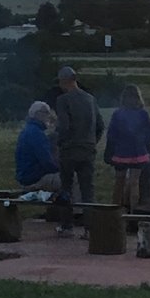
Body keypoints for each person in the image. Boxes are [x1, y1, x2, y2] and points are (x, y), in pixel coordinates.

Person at [52, 66, 103, 235]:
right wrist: (92, 142)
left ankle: (67, 226)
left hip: (69, 150)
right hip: (88, 149)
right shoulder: (90, 99)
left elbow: (64, 126)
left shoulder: (63, 100)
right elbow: (100, 125)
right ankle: (90, 228)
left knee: (66, 188)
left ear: (64, 81)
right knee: (88, 189)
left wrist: (59, 143)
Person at [103, 84, 150, 210]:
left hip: (121, 153)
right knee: (134, 183)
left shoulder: (117, 114)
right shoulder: (143, 114)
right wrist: (142, 140)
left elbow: (111, 135)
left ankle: (114, 211)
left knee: (119, 182)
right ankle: (133, 213)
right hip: (138, 152)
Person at [14, 101, 60, 193]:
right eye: (46, 113)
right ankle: (78, 207)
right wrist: (60, 169)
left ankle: (59, 206)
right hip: (34, 179)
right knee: (72, 179)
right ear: (37, 114)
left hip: (25, 176)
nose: (48, 116)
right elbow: (47, 161)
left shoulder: (28, 130)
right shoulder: (37, 134)